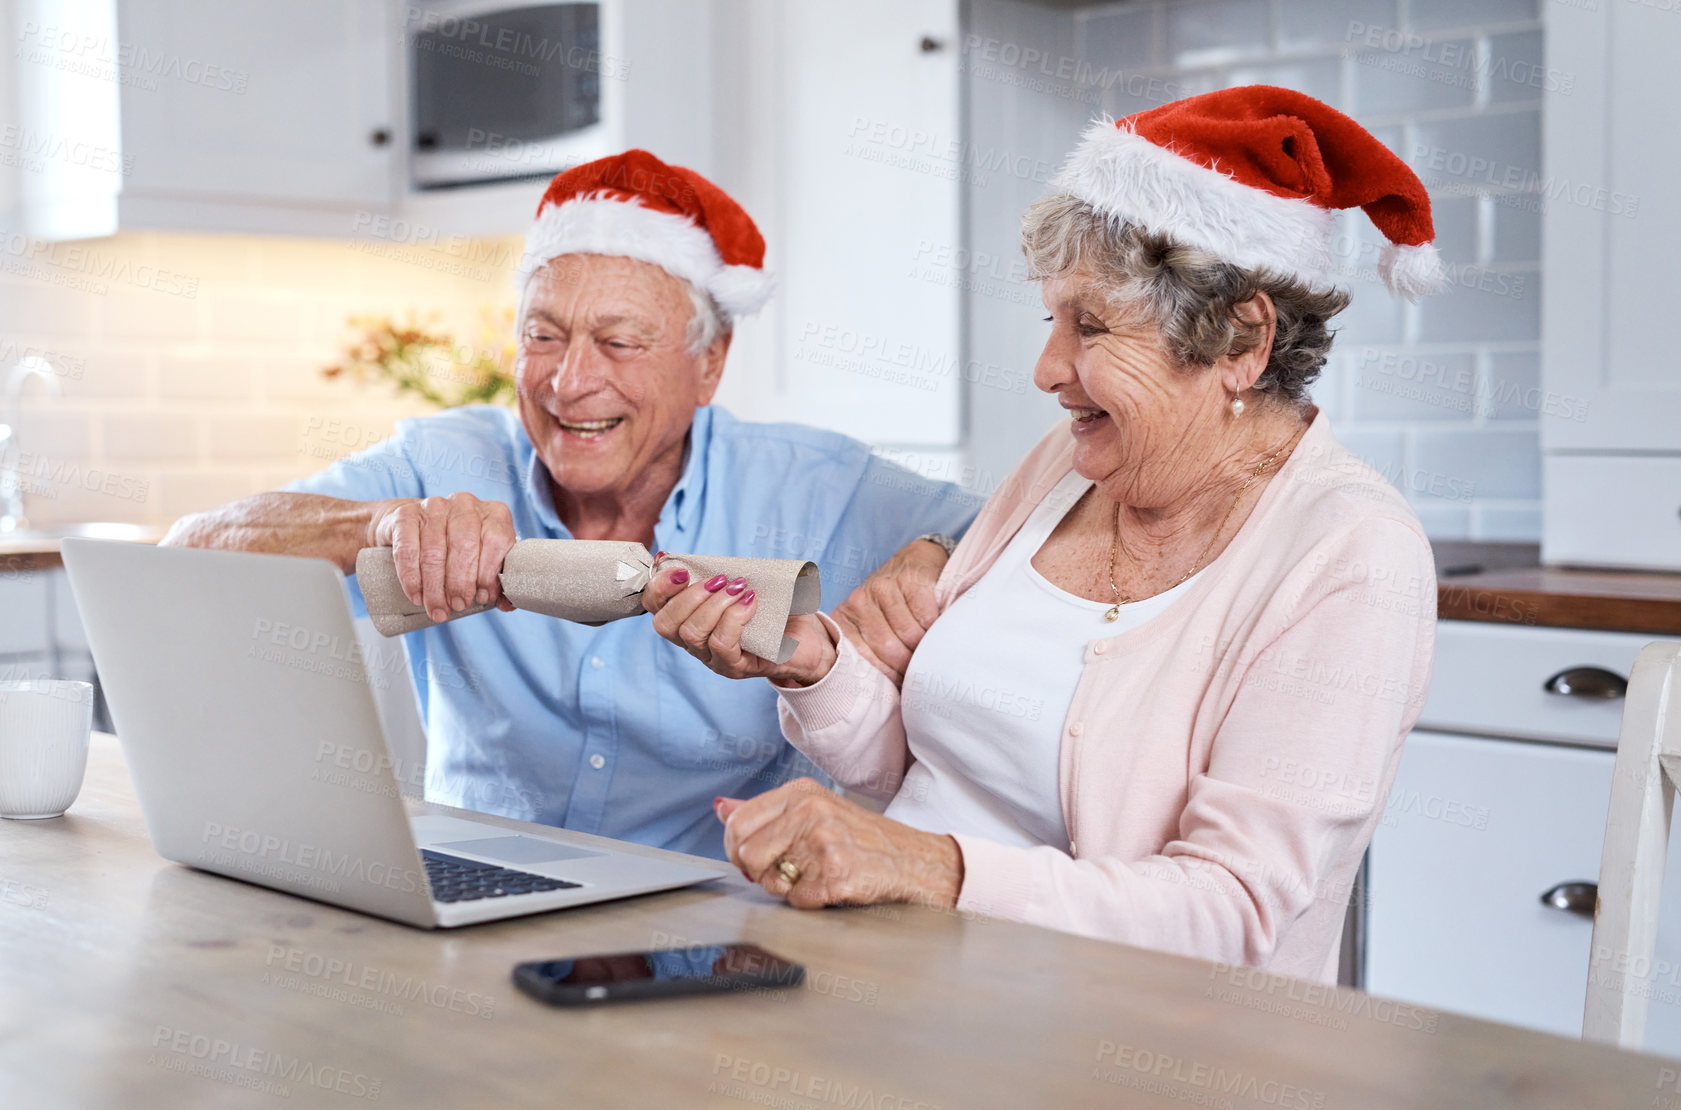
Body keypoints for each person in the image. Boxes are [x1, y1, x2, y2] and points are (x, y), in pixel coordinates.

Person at [644, 87, 1443, 982]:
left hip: (1130, 1059)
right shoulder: (1067, 466)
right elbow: (915, 765)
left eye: (1090, 325)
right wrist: (815, 664)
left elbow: (1232, 913)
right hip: (902, 985)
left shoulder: (1351, 554)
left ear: (1240, 339)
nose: (1046, 368)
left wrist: (927, 867)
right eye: (1050, 319)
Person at [163, 150, 979, 859]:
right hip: (477, 906)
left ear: (709, 363)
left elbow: (1044, 518)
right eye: (543, 336)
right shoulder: (446, 458)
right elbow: (191, 549)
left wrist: (937, 547)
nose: (568, 381)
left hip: (718, 925)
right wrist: (377, 524)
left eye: (619, 342)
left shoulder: (816, 487)